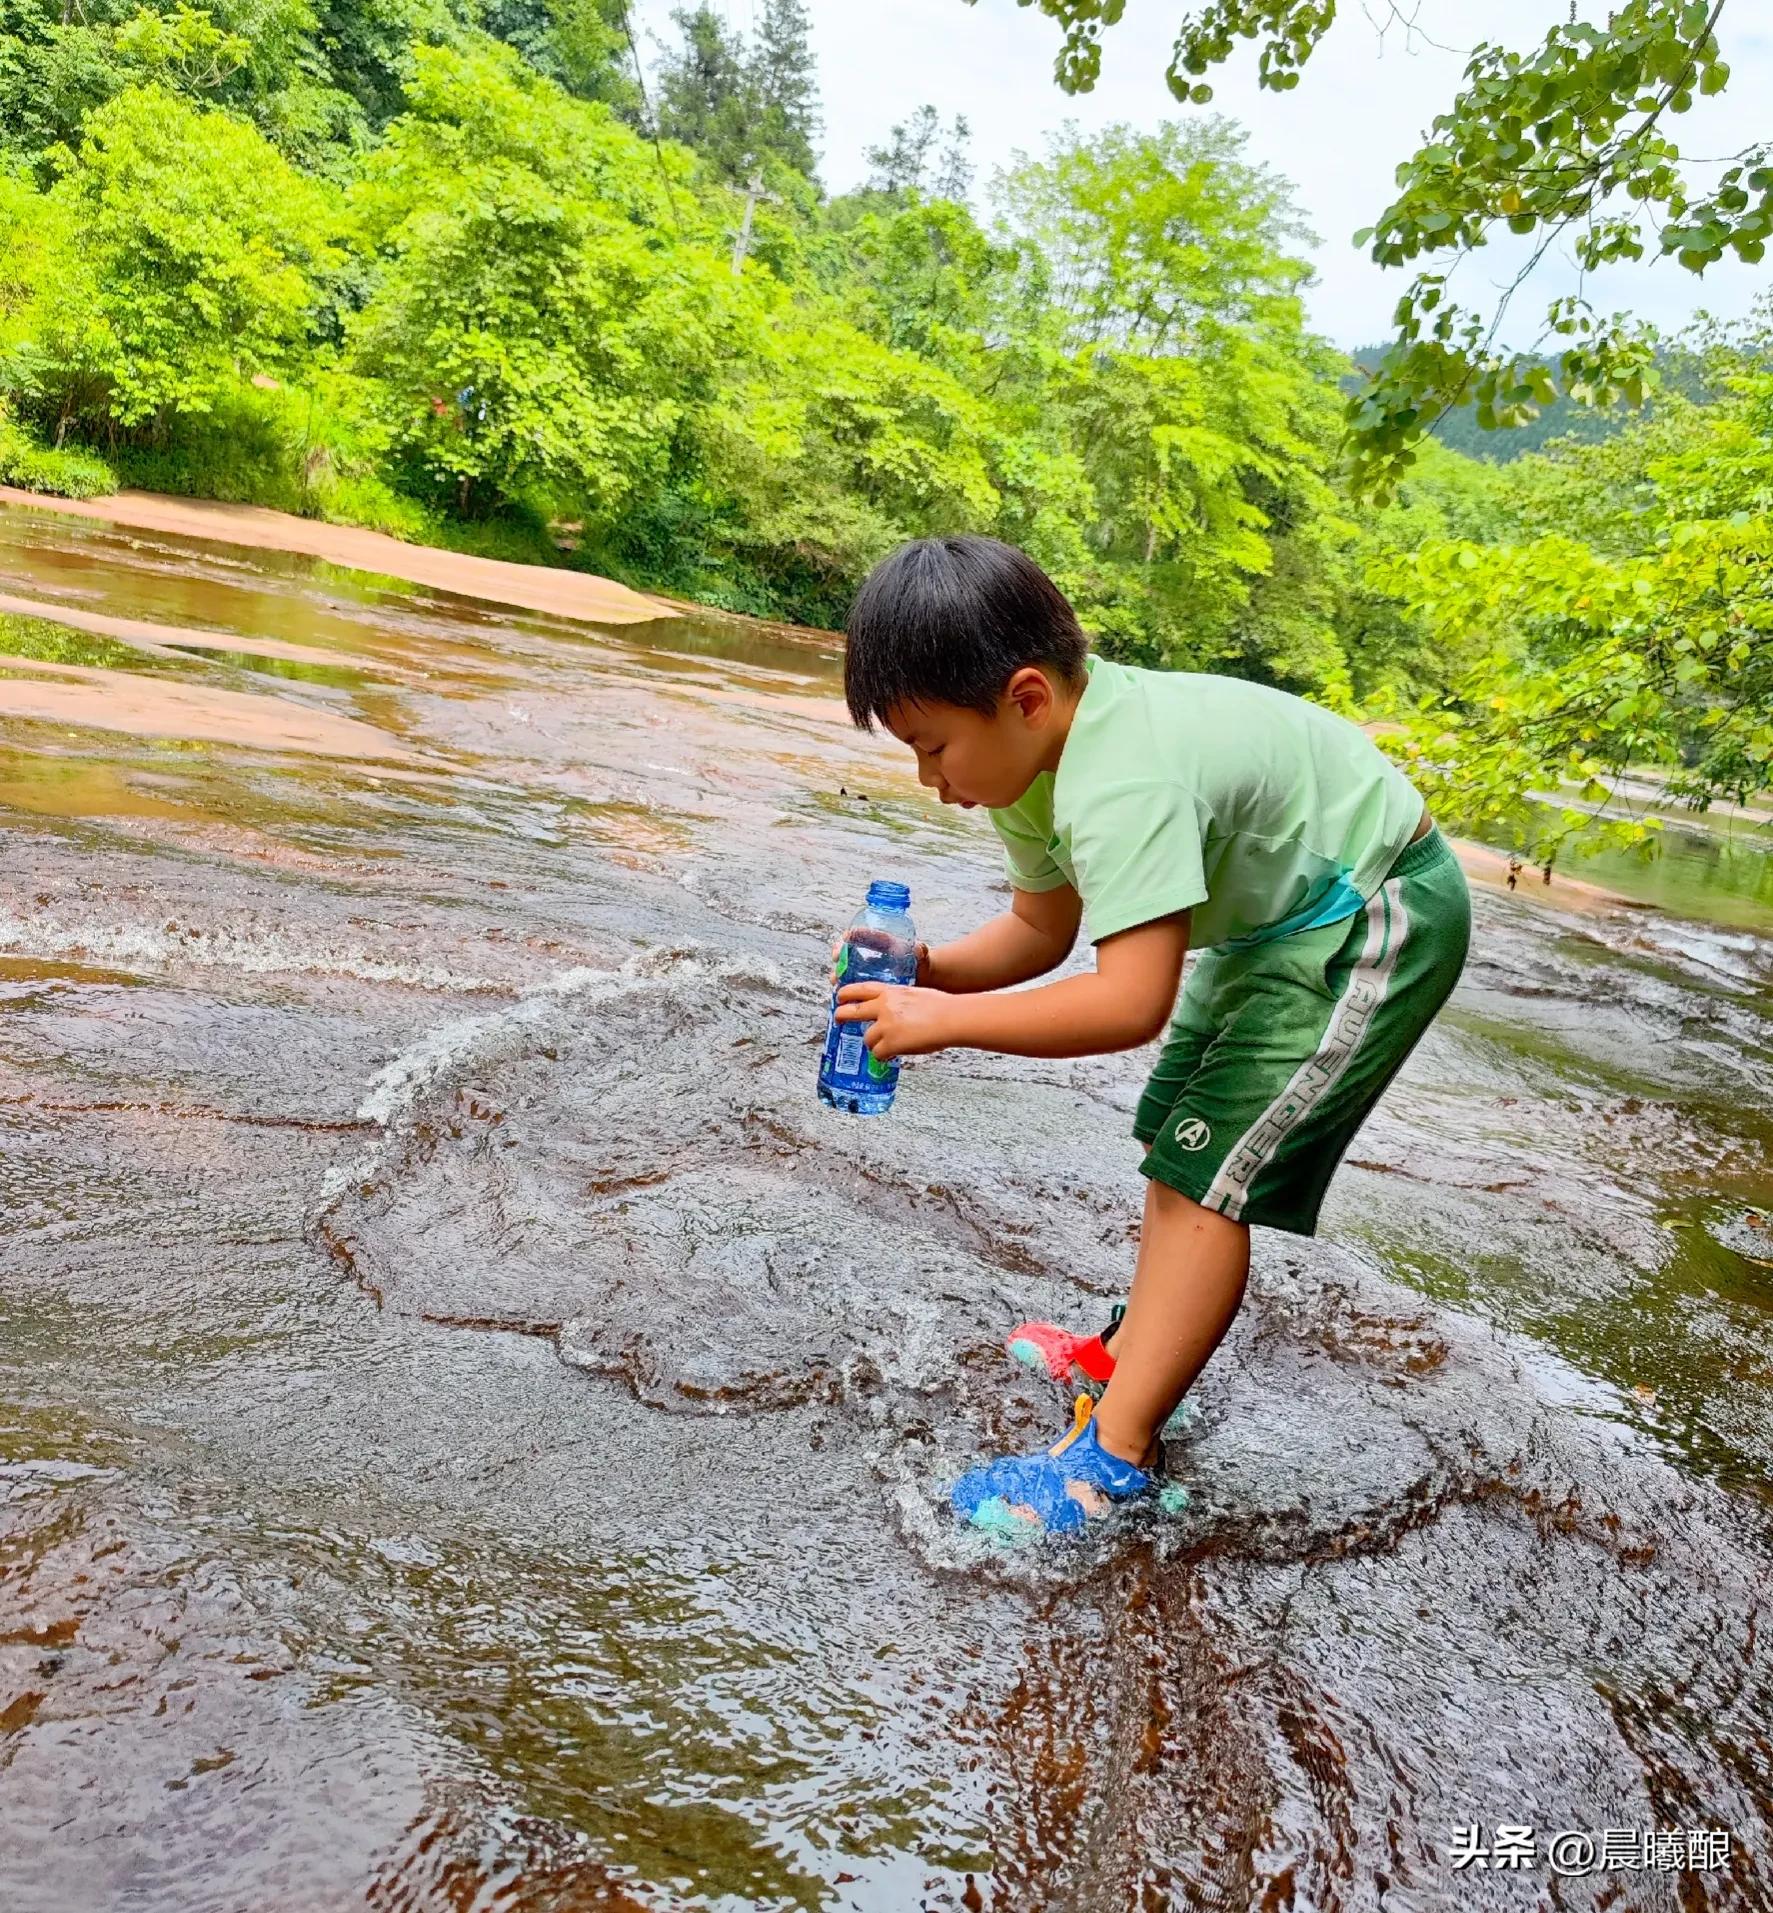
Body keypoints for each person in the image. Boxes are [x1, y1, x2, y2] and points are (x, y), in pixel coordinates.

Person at [832, 536, 1472, 1535]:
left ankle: (1114, 1455)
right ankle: (1128, 1357)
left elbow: (1129, 1002)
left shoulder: (1123, 778)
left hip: (1372, 906)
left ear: (1026, 698)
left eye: (934, 746)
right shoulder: (1029, 765)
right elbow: (1041, 929)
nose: (928, 778)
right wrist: (930, 970)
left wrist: (945, 1023)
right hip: (1269, 921)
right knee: (1176, 1136)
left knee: (1211, 1175)